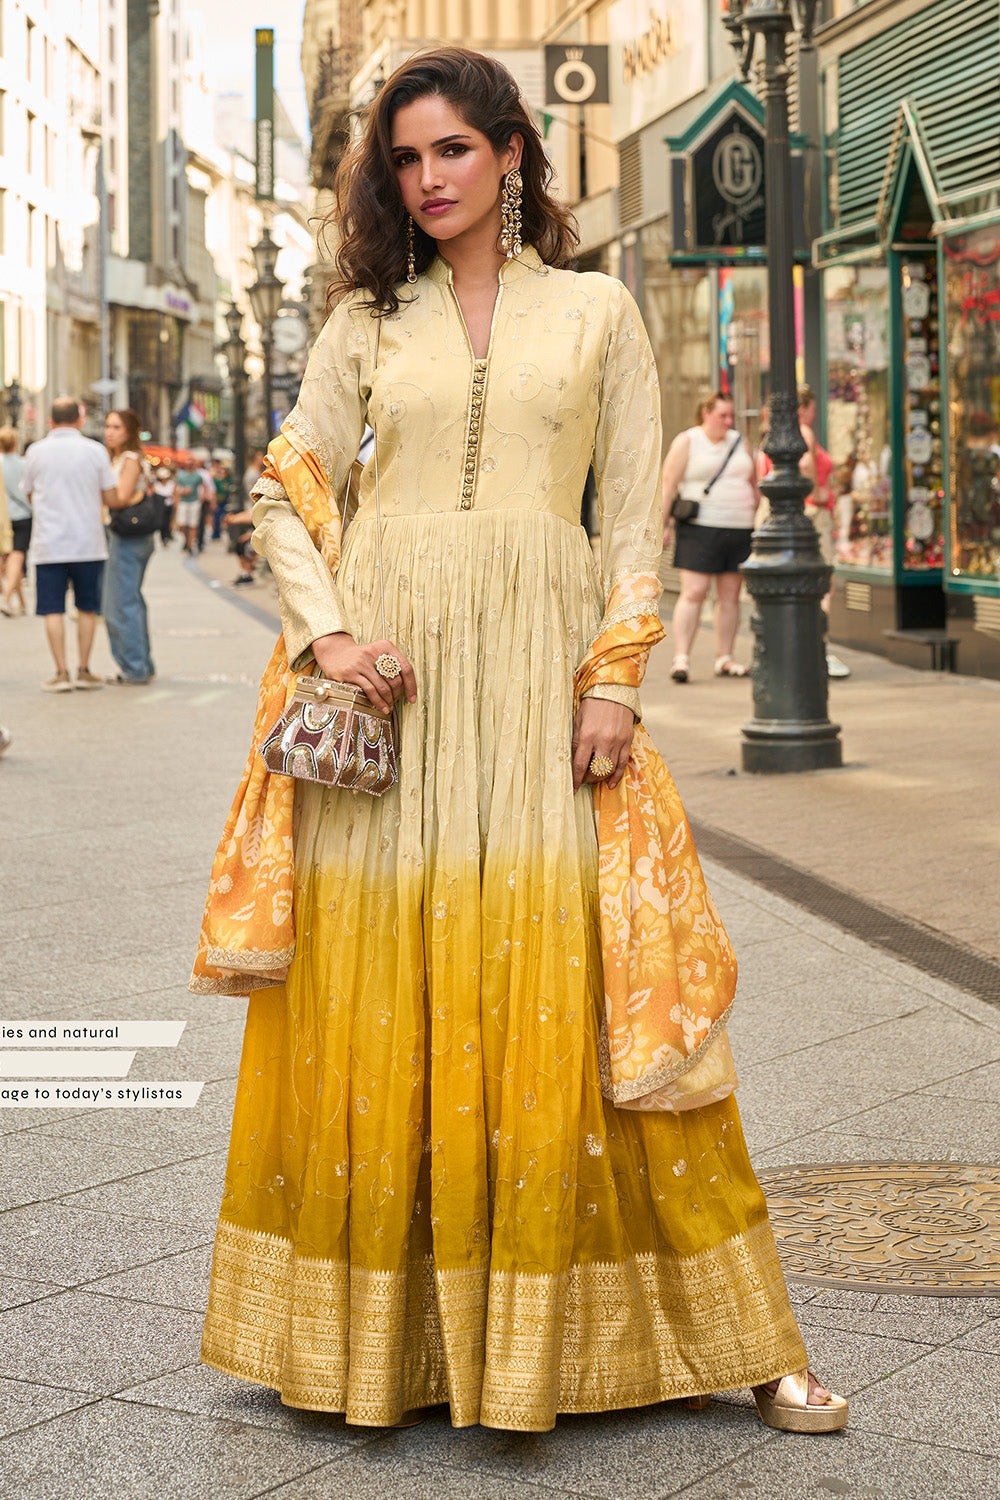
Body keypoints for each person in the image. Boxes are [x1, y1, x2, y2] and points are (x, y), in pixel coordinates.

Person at [191, 47, 846, 1436]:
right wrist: (328, 639)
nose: (428, 181)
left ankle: (722, 1333)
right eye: (407, 159)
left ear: (514, 155)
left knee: (587, 987)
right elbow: (285, 492)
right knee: (390, 992)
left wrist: (615, 678)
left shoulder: (602, 311)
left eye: (453, 153)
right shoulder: (367, 321)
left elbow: (628, 526)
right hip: (394, 699)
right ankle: (386, 1348)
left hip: (543, 684)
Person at [661, 392, 758, 682]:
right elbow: (668, 485)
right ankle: (681, 659)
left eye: (731, 416)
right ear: (706, 412)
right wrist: (663, 525)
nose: (728, 421)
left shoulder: (740, 442)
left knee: (729, 596)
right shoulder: (688, 441)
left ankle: (725, 657)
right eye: (722, 415)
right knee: (694, 592)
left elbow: (753, 485)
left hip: (739, 527)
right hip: (700, 527)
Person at [24, 397, 117, 692]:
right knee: (87, 608)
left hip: (49, 543)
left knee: (53, 609)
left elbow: (28, 493)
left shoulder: (35, 452)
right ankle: (84, 669)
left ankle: (61, 672)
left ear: (50, 421)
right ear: (80, 420)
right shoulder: (95, 450)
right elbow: (110, 495)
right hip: (88, 542)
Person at [798, 386, 850, 680]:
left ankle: (808, 647)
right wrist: (817, 491)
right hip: (814, 513)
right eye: (813, 409)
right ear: (802, 409)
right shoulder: (803, 431)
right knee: (822, 583)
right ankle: (818, 647)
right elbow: (806, 463)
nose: (815, 415)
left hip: (802, 512)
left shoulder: (773, 435)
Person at [103, 408, 155, 685]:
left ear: (130, 432)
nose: (109, 432)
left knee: (121, 604)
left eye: (117, 427)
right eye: (108, 426)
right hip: (131, 537)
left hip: (128, 537)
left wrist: (96, 490)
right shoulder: (122, 458)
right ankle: (142, 663)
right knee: (130, 601)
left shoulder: (130, 459)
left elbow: (121, 498)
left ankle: (135, 667)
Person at [0, 427, 31, 616]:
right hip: (21, 516)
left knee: (9, 558)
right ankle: (7, 597)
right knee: (16, 556)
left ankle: (21, 601)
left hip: (2, 517)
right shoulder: (23, 464)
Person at [173, 458, 202, 553]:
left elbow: (202, 487)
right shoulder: (181, 475)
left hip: (194, 501)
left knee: (193, 524)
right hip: (183, 501)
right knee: (183, 524)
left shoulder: (197, 476)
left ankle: (191, 544)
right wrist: (179, 497)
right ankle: (186, 541)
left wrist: (201, 499)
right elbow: (176, 489)